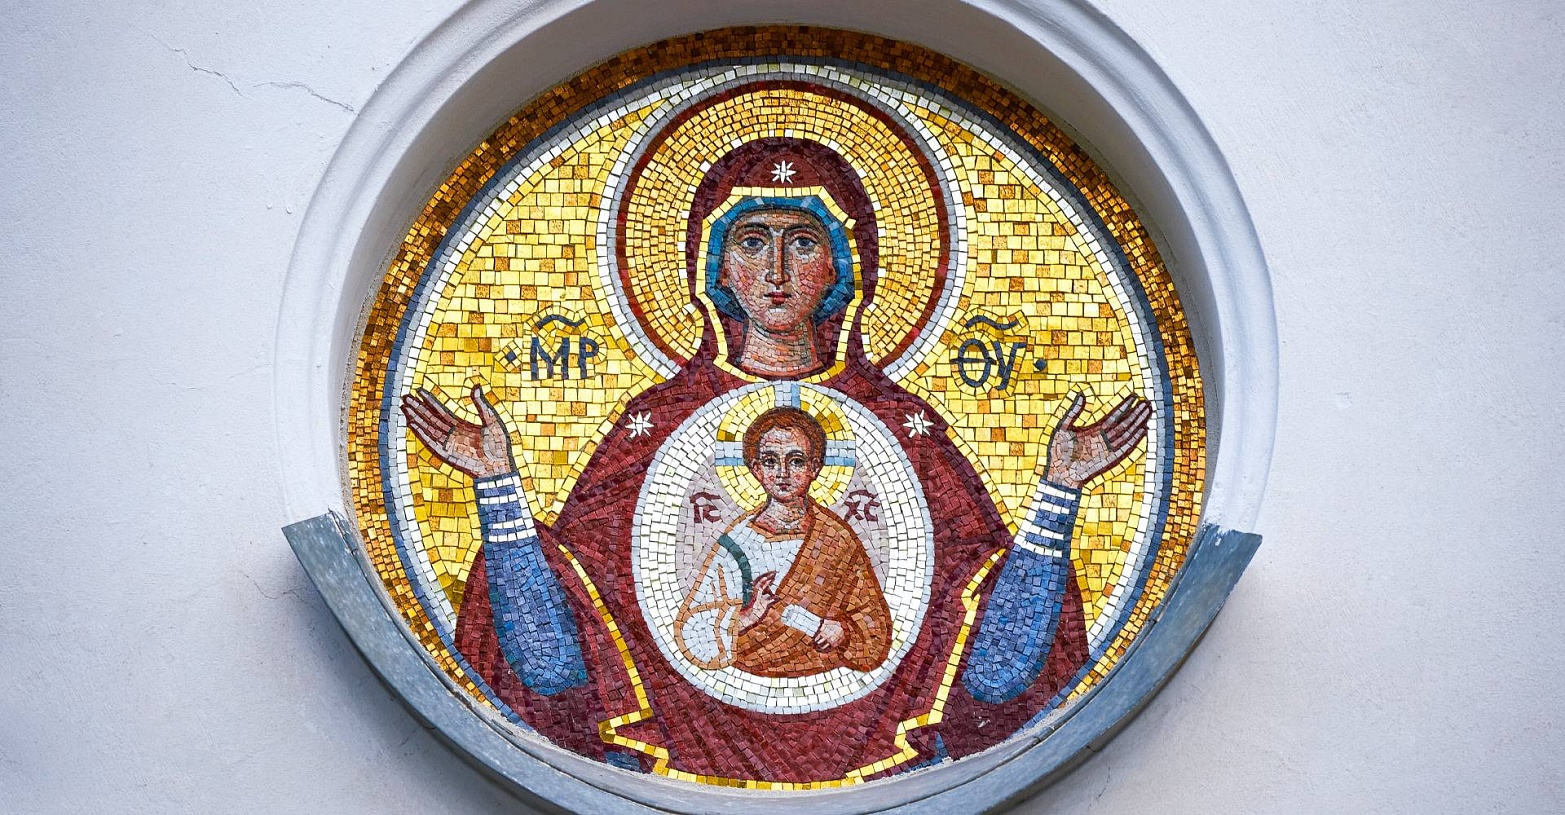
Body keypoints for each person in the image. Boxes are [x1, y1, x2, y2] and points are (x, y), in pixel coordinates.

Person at [400, 137, 1152, 784]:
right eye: (752, 241)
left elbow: (994, 670)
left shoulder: (905, 428)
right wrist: (498, 488)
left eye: (804, 241)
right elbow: (559, 660)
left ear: (842, 267)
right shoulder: (655, 424)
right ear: (717, 268)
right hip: (676, 742)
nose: (777, 271)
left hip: (888, 748)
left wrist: (1059, 491)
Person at [674, 407, 892, 676]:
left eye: (796, 461)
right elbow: (692, 633)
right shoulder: (738, 540)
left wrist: (843, 632)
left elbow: (875, 631)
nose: (782, 473)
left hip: (821, 676)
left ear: (814, 468)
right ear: (756, 469)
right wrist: (746, 617)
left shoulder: (837, 538)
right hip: (746, 679)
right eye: (770, 461)